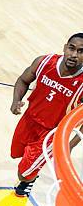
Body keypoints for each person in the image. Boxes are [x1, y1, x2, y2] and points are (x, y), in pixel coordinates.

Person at [11, 33, 83, 197]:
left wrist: (71, 144)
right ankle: (33, 170)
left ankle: (30, 179)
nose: (74, 55)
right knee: (17, 153)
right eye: (71, 48)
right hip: (29, 119)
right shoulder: (44, 62)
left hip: (51, 133)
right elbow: (23, 80)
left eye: (81, 51)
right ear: (65, 47)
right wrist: (16, 101)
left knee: (23, 173)